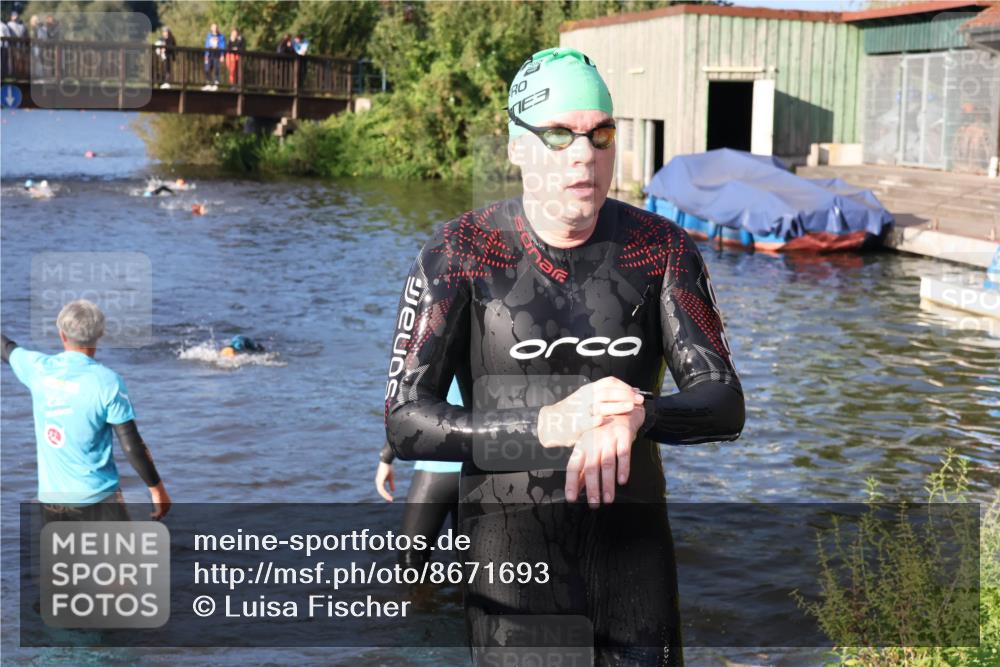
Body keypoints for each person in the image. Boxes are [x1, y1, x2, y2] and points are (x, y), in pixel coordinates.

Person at [383, 47, 744, 665]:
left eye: (600, 132)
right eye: (558, 134)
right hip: (511, 574)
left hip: (634, 572)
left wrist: (641, 417)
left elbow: (724, 402)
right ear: (517, 146)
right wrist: (544, 428)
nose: (584, 153)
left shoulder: (660, 249)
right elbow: (405, 418)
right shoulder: (460, 251)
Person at [2, 300, 171, 523]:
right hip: (99, 501)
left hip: (52, 504)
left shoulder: (37, 368)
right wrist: (157, 489)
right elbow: (131, 444)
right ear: (99, 334)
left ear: (62, 334)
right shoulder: (108, 382)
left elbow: (6, 348)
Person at [376, 378, 462, 570]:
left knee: (411, 559)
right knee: (472, 558)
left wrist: (386, 457)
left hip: (438, 467)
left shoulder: (434, 350)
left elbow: (409, 410)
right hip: (483, 463)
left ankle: (417, 598)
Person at [203, 22, 225, 89]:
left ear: (217, 28)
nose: (215, 29)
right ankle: (208, 82)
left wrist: (222, 55)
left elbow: (223, 46)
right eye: (213, 27)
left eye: (216, 27)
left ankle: (216, 82)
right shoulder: (209, 36)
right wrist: (206, 55)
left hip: (217, 54)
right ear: (211, 28)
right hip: (210, 53)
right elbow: (206, 45)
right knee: (207, 68)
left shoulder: (221, 36)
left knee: (216, 68)